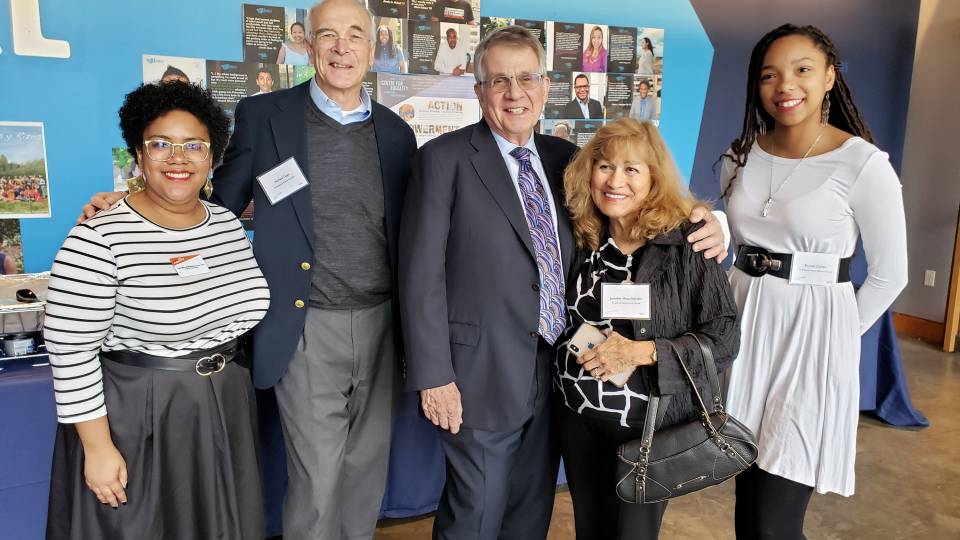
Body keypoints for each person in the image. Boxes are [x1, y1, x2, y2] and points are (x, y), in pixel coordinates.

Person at [78, 1, 417, 538]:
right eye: (328, 35)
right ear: (306, 43)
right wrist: (131, 202)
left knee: (365, 468)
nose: (342, 47)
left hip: (382, 321)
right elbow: (214, 202)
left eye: (356, 35)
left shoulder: (398, 133)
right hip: (305, 323)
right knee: (319, 475)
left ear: (373, 48)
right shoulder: (266, 115)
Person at [399, 25, 727, 540]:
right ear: (479, 89)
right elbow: (418, 276)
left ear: (546, 85)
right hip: (477, 374)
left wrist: (708, 220)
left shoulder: (564, 160)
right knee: (475, 514)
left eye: (526, 77)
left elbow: (640, 200)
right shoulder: (443, 161)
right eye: (499, 80)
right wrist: (433, 377)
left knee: (531, 512)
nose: (514, 92)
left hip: (557, 376)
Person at [45, 81, 271, 540]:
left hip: (224, 403)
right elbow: (70, 351)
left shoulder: (225, 223)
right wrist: (98, 448)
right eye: (160, 144)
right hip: (140, 413)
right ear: (138, 153)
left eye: (194, 145)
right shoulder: (98, 238)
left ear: (212, 157)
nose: (178, 157)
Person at [720, 24, 908, 539]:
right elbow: (733, 243)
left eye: (802, 69)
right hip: (743, 333)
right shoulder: (741, 156)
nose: (786, 85)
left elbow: (891, 274)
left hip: (812, 340)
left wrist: (838, 335)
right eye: (769, 75)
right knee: (748, 504)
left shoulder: (863, 164)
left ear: (829, 75)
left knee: (775, 518)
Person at [557, 118, 740, 539]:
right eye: (604, 166)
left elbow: (725, 337)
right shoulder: (585, 233)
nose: (614, 180)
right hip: (578, 417)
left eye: (631, 169)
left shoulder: (687, 241)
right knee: (590, 529)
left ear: (654, 177)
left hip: (646, 427)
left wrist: (642, 353)